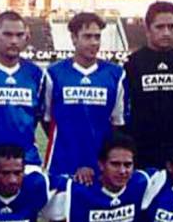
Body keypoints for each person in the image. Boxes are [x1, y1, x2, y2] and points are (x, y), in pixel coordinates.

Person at [41, 12, 127, 180]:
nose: (94, 42)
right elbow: (46, 120)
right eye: (87, 37)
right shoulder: (54, 73)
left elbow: (117, 124)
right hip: (61, 165)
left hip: (101, 168)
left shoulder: (115, 75)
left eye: (97, 37)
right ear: (74, 38)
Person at [124, 2, 173, 169]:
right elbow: (126, 106)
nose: (166, 32)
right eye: (160, 27)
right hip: (141, 149)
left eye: (171, 27)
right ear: (148, 30)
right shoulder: (134, 63)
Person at [0, 11, 45, 172]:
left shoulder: (35, 74)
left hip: (28, 162)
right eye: (8, 34)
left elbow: (42, 117)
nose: (14, 41)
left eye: (19, 35)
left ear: (26, 38)